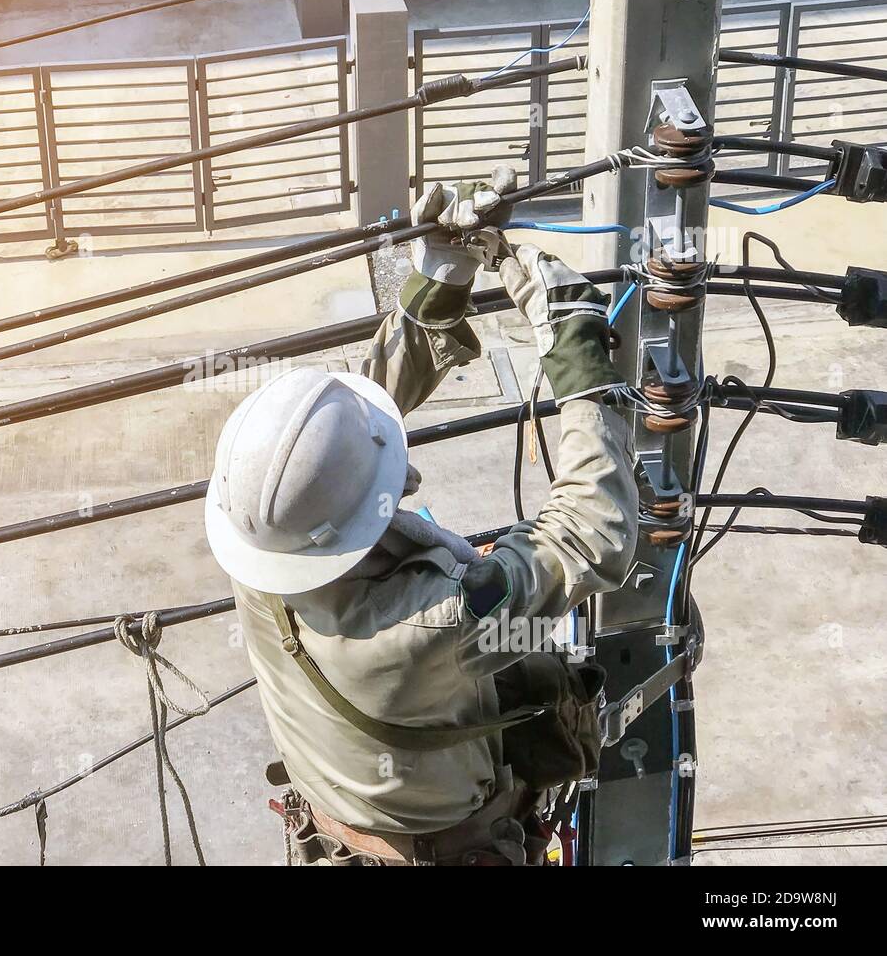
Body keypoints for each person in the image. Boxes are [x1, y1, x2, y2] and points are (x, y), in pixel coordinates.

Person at [204, 169, 639, 866]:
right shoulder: (429, 627)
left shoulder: (257, 530)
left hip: (337, 830)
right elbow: (595, 531)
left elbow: (332, 447)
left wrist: (437, 287)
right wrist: (581, 357)